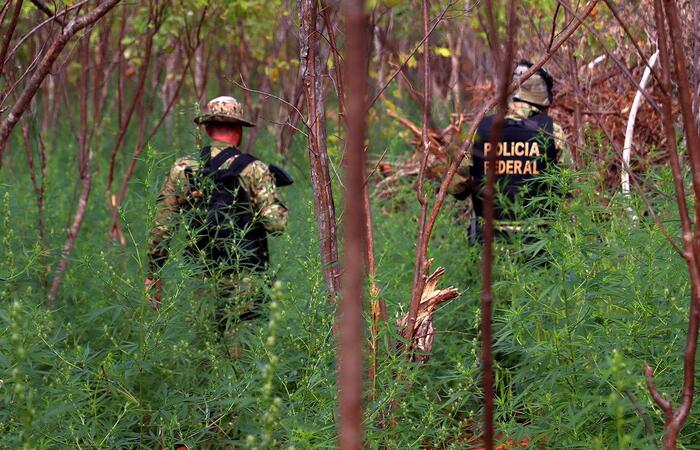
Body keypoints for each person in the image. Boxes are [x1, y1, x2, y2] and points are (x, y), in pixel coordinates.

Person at [145, 96, 289, 343]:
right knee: (243, 349)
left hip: (201, 275)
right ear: (239, 131)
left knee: (204, 350)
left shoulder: (184, 168)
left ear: (208, 129)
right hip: (247, 275)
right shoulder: (255, 169)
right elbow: (276, 225)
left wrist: (153, 273)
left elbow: (162, 226)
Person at [449, 60, 572, 243]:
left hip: (489, 245)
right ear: (542, 96)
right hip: (539, 245)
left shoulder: (481, 129)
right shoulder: (552, 132)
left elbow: (455, 187)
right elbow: (568, 189)